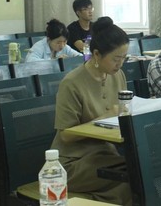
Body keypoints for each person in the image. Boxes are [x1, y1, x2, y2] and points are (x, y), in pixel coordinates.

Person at [51, 17, 132, 204]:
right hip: (74, 162)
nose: (120, 64)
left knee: (144, 168)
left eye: (124, 58)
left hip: (106, 155)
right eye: (116, 59)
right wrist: (104, 118)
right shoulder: (72, 83)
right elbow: (65, 135)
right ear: (96, 54)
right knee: (132, 175)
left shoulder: (117, 75)